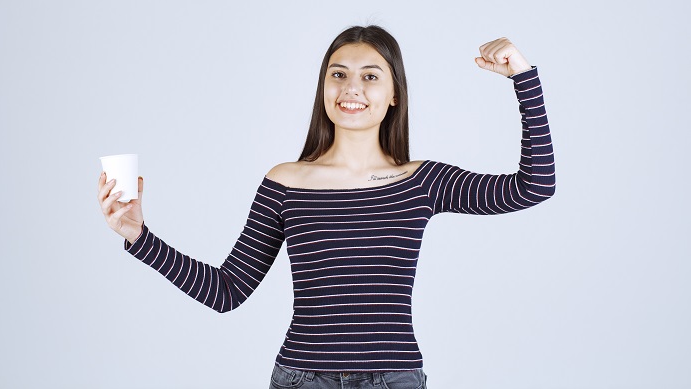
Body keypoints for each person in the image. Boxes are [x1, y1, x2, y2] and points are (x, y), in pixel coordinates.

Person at [97, 25, 555, 389]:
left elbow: (533, 186)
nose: (351, 87)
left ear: (394, 94)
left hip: (392, 379)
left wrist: (523, 77)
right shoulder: (286, 182)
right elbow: (226, 291)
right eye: (338, 74)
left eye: (370, 76)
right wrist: (140, 237)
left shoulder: (421, 181)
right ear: (323, 87)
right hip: (301, 378)